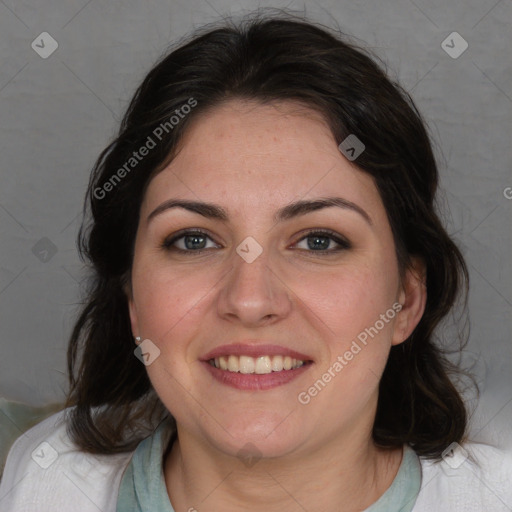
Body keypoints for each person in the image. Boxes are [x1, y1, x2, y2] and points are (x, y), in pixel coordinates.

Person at [1, 11, 511, 512]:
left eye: (318, 241)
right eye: (194, 240)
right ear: (132, 295)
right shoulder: (45, 480)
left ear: (406, 299)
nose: (249, 300)